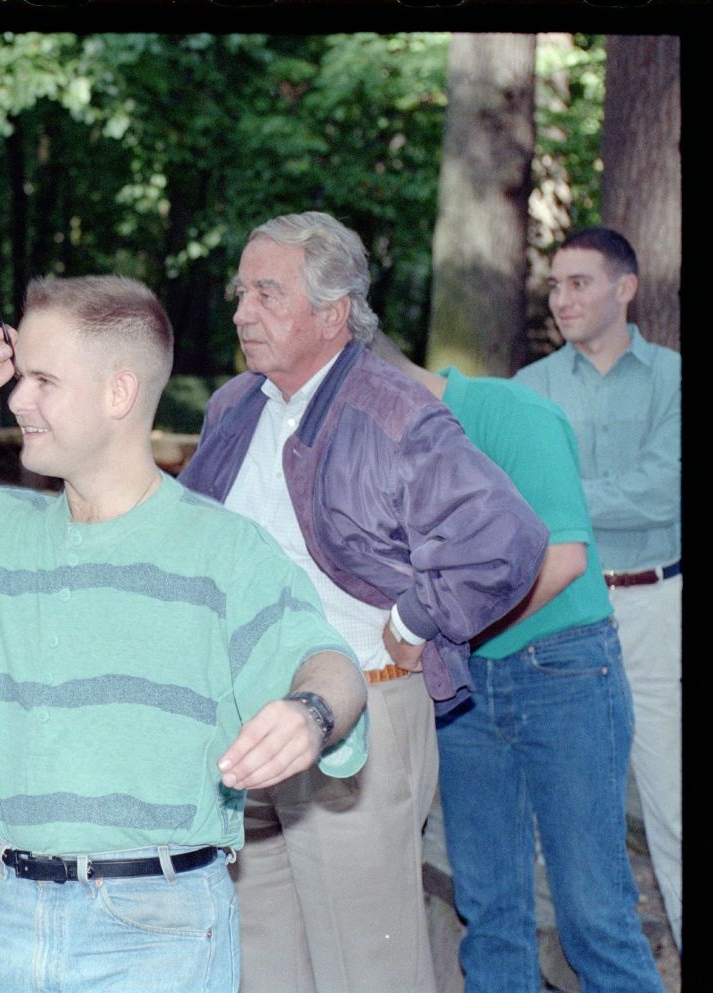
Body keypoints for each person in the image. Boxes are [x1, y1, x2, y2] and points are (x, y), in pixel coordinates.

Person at [0, 275, 370, 993]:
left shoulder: (224, 553)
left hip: (159, 932)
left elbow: (332, 664)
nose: (16, 398)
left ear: (118, 393)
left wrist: (309, 713)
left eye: (43, 380)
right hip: (5, 917)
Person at [178, 212, 548, 993]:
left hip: (363, 714)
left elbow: (508, 536)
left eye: (267, 293)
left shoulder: (393, 410)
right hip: (246, 720)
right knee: (262, 959)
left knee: (366, 967)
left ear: (334, 310)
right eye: (241, 292)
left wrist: (417, 618)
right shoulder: (234, 406)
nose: (242, 311)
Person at [371, 332, 663, 993]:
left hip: (563, 670)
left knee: (594, 915)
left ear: (381, 384)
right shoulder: (388, 457)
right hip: (468, 694)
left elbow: (563, 559)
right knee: (490, 913)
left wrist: (446, 634)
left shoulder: (512, 413)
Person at [514, 226, 681, 951]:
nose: (561, 298)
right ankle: (588, 955)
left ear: (626, 288)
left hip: (654, 604)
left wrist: (560, 497)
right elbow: (512, 498)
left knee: (673, 800)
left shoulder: (675, 378)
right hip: (560, 607)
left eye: (579, 282)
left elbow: (666, 493)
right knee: (571, 804)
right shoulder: (528, 390)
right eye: (554, 285)